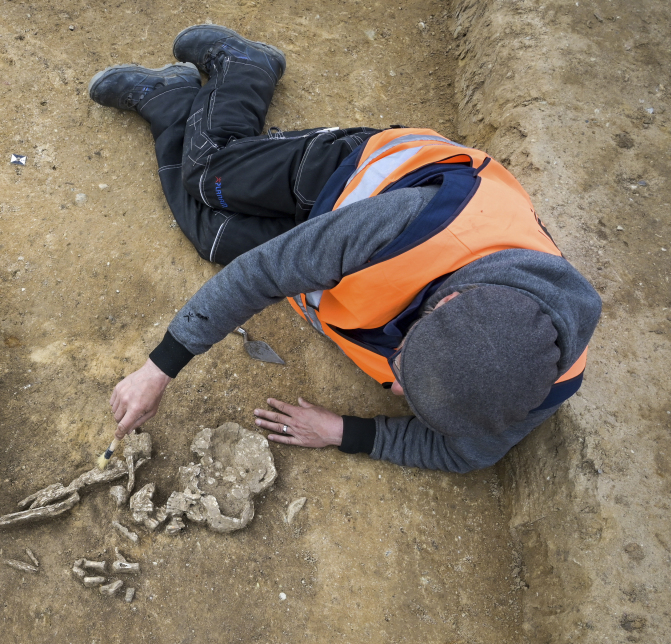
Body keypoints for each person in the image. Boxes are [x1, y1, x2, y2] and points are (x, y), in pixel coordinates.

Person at [86, 25, 601, 473]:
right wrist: (158, 370)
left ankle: (172, 102)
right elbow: (260, 274)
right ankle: (247, 67)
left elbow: (464, 454)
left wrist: (341, 431)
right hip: (347, 179)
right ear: (447, 301)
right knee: (207, 177)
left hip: (339, 251)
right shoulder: (418, 224)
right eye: (404, 365)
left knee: (211, 235)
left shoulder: (541, 384)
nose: (395, 390)